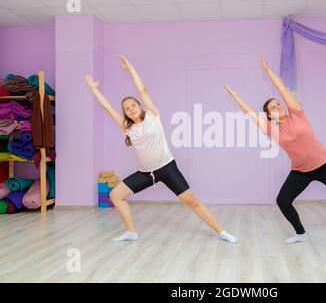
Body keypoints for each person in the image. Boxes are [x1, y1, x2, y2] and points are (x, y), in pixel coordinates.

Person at [224, 56, 326, 244]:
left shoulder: (296, 113)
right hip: (301, 170)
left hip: (325, 164)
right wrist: (235, 96)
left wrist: (268, 70)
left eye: (278, 104)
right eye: (273, 107)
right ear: (269, 115)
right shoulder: (272, 129)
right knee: (283, 200)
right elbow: (250, 113)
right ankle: (301, 234)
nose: (278, 107)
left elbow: (282, 89)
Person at [85, 55, 237, 243]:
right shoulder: (128, 128)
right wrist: (94, 89)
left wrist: (131, 68)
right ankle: (131, 232)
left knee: (192, 201)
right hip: (145, 173)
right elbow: (107, 108)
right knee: (115, 195)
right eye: (126, 108)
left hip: (167, 168)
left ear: (140, 106)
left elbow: (143, 89)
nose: (130, 108)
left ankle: (222, 231)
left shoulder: (152, 116)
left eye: (133, 105)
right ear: (125, 113)